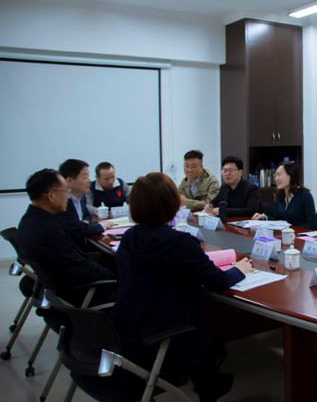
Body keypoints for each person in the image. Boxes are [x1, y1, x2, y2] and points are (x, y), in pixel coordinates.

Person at [109, 172, 254, 401]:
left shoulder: (129, 237)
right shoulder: (180, 243)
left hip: (128, 332)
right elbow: (217, 281)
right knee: (214, 342)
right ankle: (207, 388)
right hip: (163, 338)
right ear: (171, 204)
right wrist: (240, 269)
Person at [17, 169, 116, 306]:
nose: (68, 197)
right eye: (65, 192)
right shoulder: (49, 230)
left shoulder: (28, 220)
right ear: (51, 195)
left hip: (57, 284)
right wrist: (112, 274)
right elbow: (79, 268)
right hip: (77, 292)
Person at [56, 159, 114, 249]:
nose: (89, 180)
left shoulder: (82, 197)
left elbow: (87, 216)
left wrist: (85, 222)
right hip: (69, 250)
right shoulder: (62, 202)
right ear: (69, 181)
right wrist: (102, 225)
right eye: (85, 177)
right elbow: (77, 229)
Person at [252, 162, 317, 229]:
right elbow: (278, 220)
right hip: (285, 234)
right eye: (275, 175)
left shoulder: (305, 195)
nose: (276, 179)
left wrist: (290, 230)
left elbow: (312, 224)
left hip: (300, 234)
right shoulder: (280, 196)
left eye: (279, 174)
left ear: (291, 175)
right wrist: (265, 217)